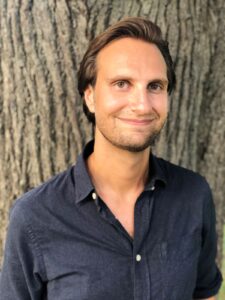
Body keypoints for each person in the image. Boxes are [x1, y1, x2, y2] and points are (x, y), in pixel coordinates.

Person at [0, 17, 223, 300]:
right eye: (122, 83)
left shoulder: (194, 195)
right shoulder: (35, 217)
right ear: (90, 96)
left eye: (154, 86)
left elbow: (204, 293)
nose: (142, 105)